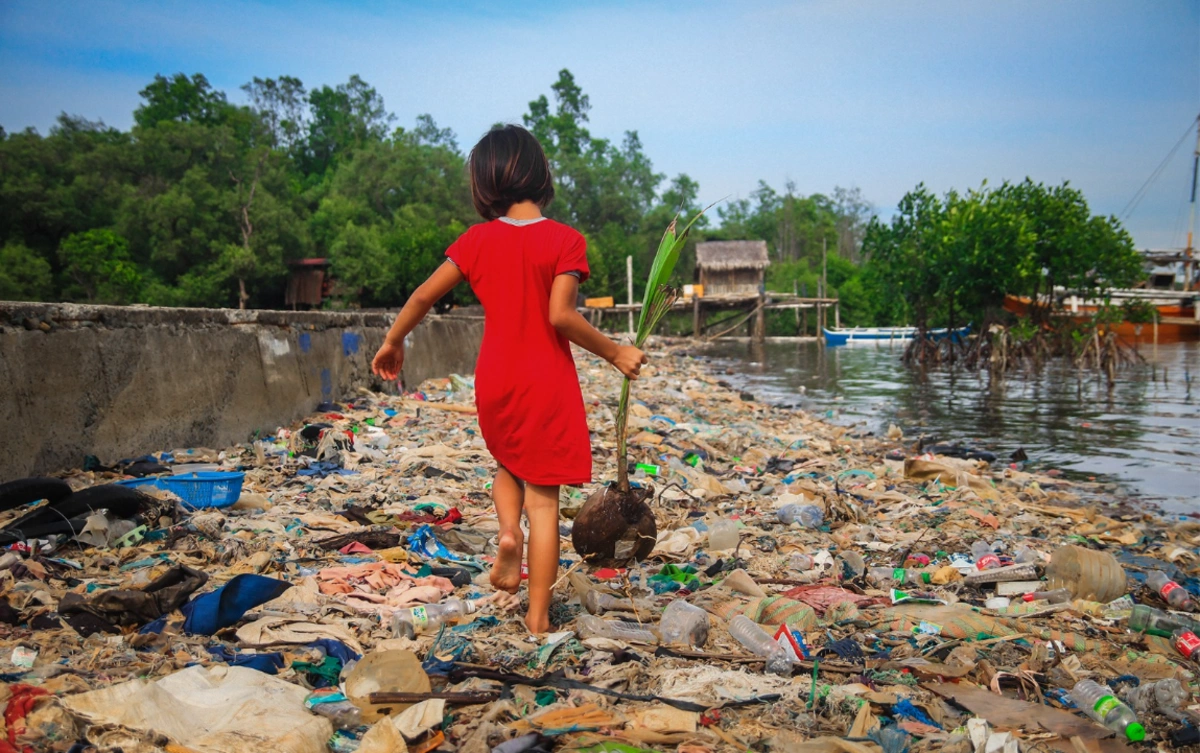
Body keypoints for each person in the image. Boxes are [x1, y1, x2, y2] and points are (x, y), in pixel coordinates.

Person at [371, 124, 646, 633]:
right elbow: (561, 316)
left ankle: (505, 533)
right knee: (544, 503)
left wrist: (393, 341)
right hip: (548, 380)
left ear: (485, 181)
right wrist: (615, 353)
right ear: (541, 175)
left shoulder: (476, 241)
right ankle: (538, 616)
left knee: (506, 463)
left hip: (496, 377)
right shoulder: (565, 240)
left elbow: (423, 296)